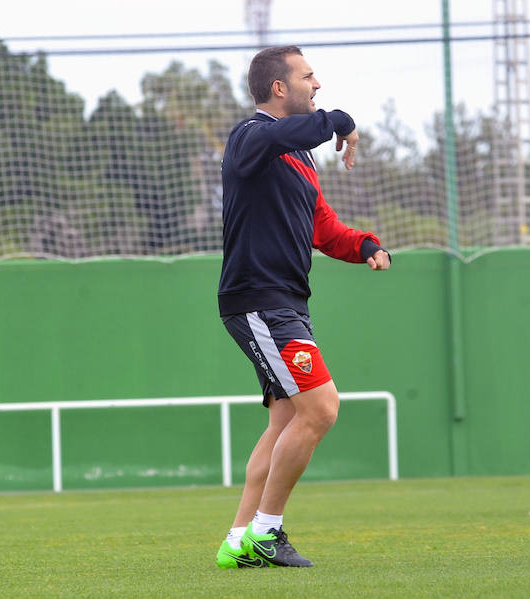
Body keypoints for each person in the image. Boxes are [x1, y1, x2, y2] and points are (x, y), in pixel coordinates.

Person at [214, 45, 391, 568]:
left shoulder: (299, 157)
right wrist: (342, 122)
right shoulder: (251, 138)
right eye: (309, 77)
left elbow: (322, 227)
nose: (318, 85)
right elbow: (290, 132)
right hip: (259, 300)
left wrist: (363, 245)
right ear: (278, 88)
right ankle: (267, 534)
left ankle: (237, 542)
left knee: (286, 419)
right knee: (323, 408)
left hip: (285, 302)